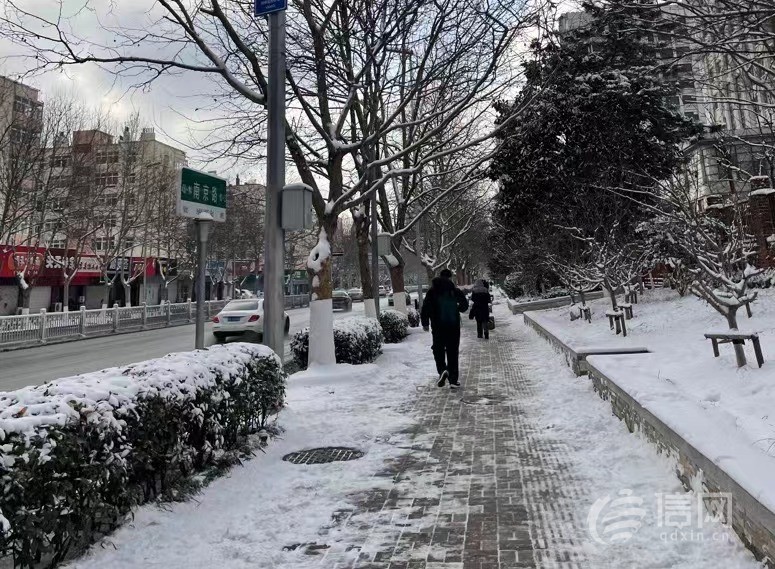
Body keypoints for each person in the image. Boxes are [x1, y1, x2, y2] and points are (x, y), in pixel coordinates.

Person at [420, 268, 469, 388]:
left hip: (437, 327)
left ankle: (442, 370)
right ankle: (453, 380)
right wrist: (456, 309)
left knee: (438, 349)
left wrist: (425, 323)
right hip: (453, 326)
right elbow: (464, 306)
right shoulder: (454, 290)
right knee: (453, 351)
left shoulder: (432, 291)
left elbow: (425, 308)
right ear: (450, 278)